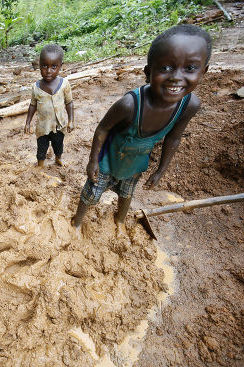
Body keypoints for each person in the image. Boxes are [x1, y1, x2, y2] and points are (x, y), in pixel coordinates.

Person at [71, 24, 211, 238]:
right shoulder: (130, 105)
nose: (176, 77)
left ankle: (119, 220)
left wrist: (160, 171)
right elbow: (102, 129)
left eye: (190, 68)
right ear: (148, 72)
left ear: (204, 71)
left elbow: (174, 138)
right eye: (165, 68)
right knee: (91, 193)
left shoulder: (189, 105)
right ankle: (77, 223)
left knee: (127, 194)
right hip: (109, 160)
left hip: (135, 164)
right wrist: (93, 160)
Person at [24, 44, 74, 167]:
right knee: (41, 147)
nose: (48, 71)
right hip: (43, 127)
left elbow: (69, 103)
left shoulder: (64, 84)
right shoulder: (36, 87)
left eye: (54, 67)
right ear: (39, 65)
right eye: (44, 66)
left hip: (59, 125)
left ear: (60, 66)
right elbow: (32, 105)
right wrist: (28, 122)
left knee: (58, 145)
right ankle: (40, 164)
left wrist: (71, 121)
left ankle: (58, 158)